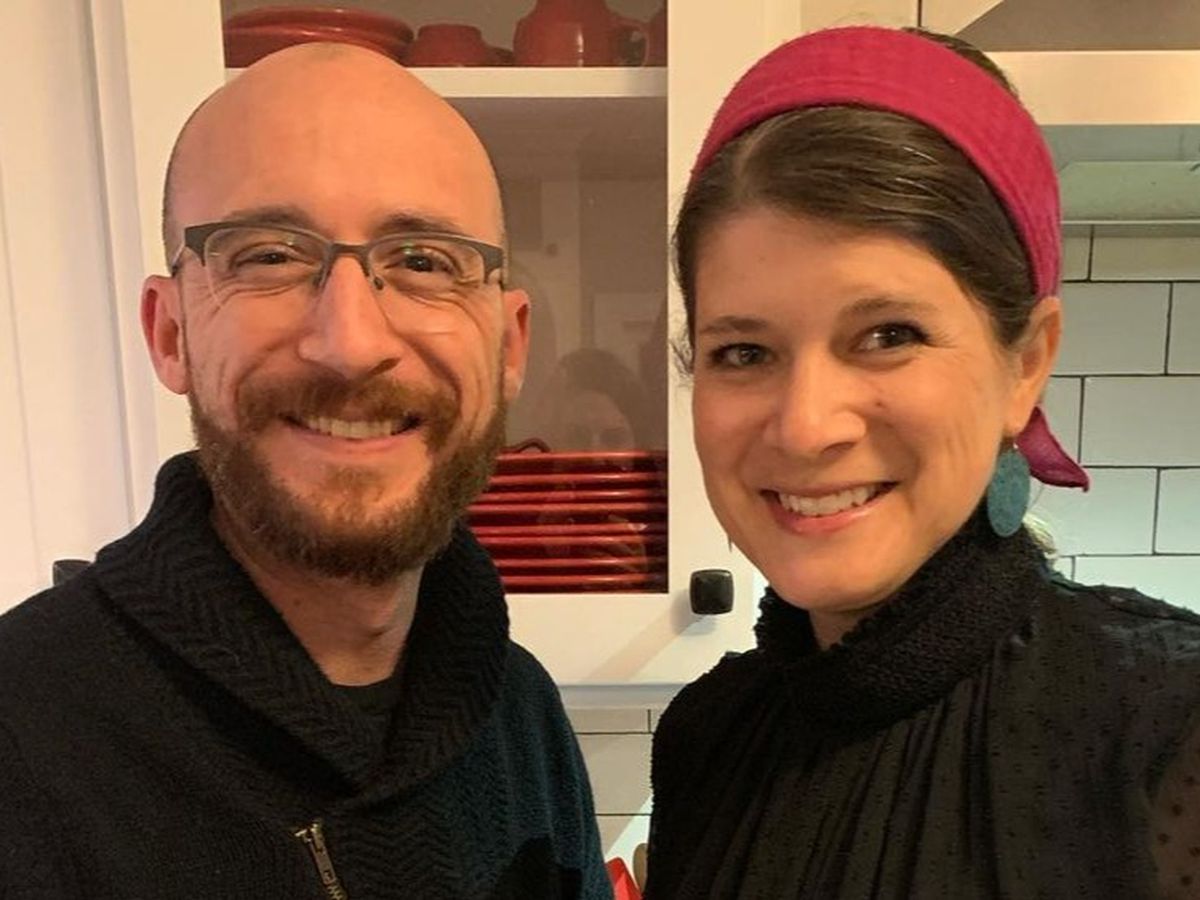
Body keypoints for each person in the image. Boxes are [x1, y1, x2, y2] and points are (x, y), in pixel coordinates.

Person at [0, 44, 610, 899]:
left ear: (509, 346)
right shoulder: (20, 736)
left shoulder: (522, 714)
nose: (351, 342)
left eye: (424, 262)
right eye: (268, 256)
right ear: (170, 333)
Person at [645, 25, 1200, 899]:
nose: (805, 427)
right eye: (743, 352)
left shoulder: (1169, 724)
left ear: (1026, 364)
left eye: (887, 335)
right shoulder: (706, 737)